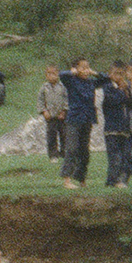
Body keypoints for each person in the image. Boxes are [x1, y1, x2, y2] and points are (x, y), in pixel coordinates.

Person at [56, 57, 114, 188]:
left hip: (87, 119)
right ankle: (67, 180)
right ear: (76, 68)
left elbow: (107, 79)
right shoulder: (71, 81)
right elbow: (61, 75)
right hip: (74, 119)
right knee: (72, 149)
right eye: (83, 67)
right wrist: (73, 72)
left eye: (87, 67)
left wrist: (94, 73)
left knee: (84, 151)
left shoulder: (90, 82)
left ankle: (81, 179)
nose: (86, 70)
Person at [37, 67, 66, 161]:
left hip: (62, 116)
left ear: (58, 74)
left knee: (64, 135)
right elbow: (40, 100)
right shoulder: (44, 87)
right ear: (46, 76)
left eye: (54, 74)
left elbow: (67, 99)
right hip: (50, 116)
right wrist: (44, 111)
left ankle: (65, 153)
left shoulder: (63, 86)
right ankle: (53, 155)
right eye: (49, 74)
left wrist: (64, 111)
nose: (51, 76)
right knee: (51, 136)